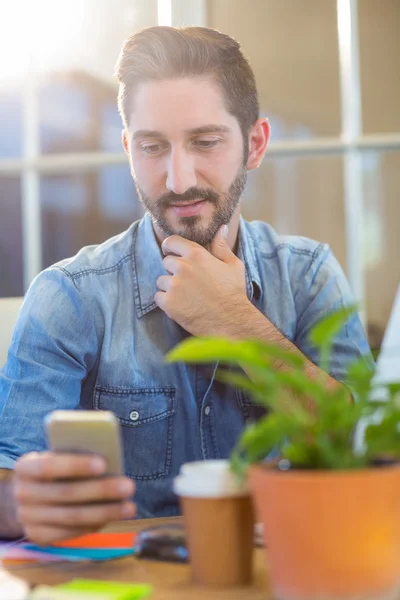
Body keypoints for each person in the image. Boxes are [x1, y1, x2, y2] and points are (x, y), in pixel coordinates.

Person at [0, 26, 371, 544]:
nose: (177, 179)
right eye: (153, 146)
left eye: (205, 141)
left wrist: (234, 323)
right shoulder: (68, 296)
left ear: (255, 143)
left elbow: (369, 450)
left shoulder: (309, 275)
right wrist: (22, 503)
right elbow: (8, 484)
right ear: (129, 149)